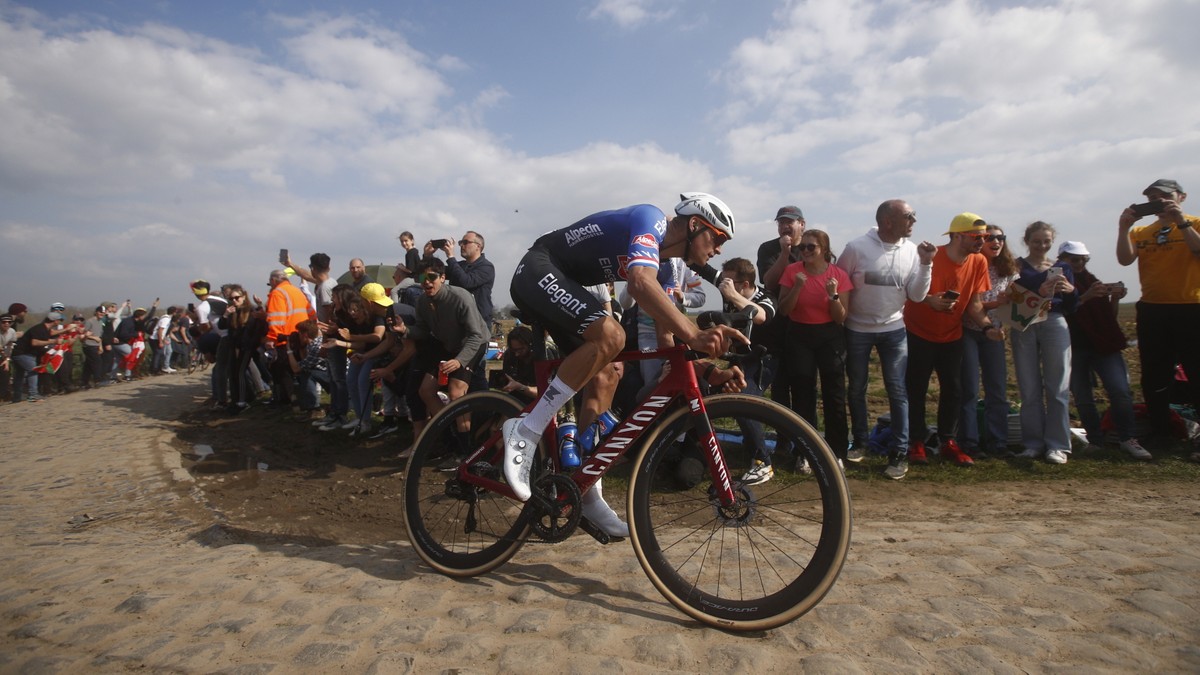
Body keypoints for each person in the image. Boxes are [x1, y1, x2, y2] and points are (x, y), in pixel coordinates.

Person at [503, 193, 746, 539]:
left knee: (606, 375)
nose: (719, 248)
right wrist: (693, 333)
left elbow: (667, 333)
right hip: (539, 268)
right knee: (612, 336)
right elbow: (639, 284)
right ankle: (525, 430)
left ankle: (585, 490)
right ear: (694, 225)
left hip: (565, 280)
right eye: (717, 237)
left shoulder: (666, 261)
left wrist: (708, 365)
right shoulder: (652, 221)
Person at [836, 200, 935, 475]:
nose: (914, 221)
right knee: (856, 388)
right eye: (909, 216)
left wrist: (926, 264)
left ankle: (899, 453)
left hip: (893, 330)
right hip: (857, 329)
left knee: (897, 390)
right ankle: (860, 443)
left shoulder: (913, 251)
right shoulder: (856, 248)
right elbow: (841, 284)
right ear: (888, 221)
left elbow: (916, 295)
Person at [903, 213, 1003, 477]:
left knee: (954, 390)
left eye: (985, 237)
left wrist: (987, 327)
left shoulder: (979, 261)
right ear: (957, 236)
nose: (983, 241)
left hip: (951, 334)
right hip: (918, 331)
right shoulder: (931, 256)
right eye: (977, 237)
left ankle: (948, 440)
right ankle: (916, 442)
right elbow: (909, 290)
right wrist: (929, 301)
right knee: (916, 389)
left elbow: (975, 303)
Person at [1116, 178, 1200, 450]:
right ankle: (1161, 432)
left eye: (1164, 197)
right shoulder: (1142, 231)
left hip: (1191, 307)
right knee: (1154, 375)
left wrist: (1181, 221)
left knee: (1196, 371)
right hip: (1153, 308)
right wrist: (1123, 228)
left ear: (1181, 197)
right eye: (1152, 198)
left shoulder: (1195, 223)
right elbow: (1125, 259)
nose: (1158, 202)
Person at [1061, 241, 1150, 460]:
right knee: (1083, 397)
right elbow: (1060, 312)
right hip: (1074, 345)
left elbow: (1108, 316)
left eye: (1083, 259)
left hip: (1103, 345)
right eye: (1074, 259)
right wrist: (1085, 296)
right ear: (1063, 260)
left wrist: (1114, 299)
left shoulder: (1093, 282)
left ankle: (1127, 438)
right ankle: (1095, 440)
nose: (1079, 264)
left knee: (1120, 391)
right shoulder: (1059, 284)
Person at [777, 229, 853, 468]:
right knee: (802, 394)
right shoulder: (792, 272)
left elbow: (841, 317)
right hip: (799, 335)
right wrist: (798, 287)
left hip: (829, 335)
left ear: (824, 250)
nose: (806, 251)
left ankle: (836, 452)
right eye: (803, 248)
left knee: (834, 394)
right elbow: (784, 310)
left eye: (812, 247)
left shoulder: (838, 275)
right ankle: (805, 452)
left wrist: (833, 295)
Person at [1011, 221, 1078, 464]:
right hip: (1026, 323)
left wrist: (1070, 291)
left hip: (1054, 321)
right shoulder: (1016, 266)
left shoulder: (1062, 268)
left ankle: (1058, 445)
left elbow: (1073, 307)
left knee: (1058, 385)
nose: (1042, 245)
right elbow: (1011, 295)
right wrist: (1037, 290)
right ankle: (1032, 443)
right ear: (1027, 241)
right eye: (1037, 241)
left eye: (1046, 241)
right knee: (1029, 387)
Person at [959, 224, 1016, 458]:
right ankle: (969, 442)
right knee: (969, 388)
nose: (996, 242)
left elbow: (1016, 302)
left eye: (1000, 237)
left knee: (997, 389)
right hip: (969, 331)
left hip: (996, 333)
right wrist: (996, 304)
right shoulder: (970, 265)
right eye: (990, 238)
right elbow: (970, 304)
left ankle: (998, 442)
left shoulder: (1009, 270)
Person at [264, 269, 315, 407]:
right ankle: (301, 400)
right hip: (301, 335)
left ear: (274, 281)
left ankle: (287, 400)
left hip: (285, 337)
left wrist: (272, 339)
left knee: (282, 371)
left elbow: (276, 320)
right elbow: (311, 313)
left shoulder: (277, 293)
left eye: (270, 282)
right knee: (300, 371)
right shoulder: (296, 291)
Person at [11, 314, 61, 402]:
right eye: (59, 320)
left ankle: (17, 397)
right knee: (33, 371)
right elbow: (34, 342)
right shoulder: (39, 328)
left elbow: (43, 342)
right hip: (23, 353)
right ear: (55, 321)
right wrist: (54, 341)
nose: (60, 322)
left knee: (19, 375)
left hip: (19, 353)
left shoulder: (45, 330)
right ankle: (33, 394)